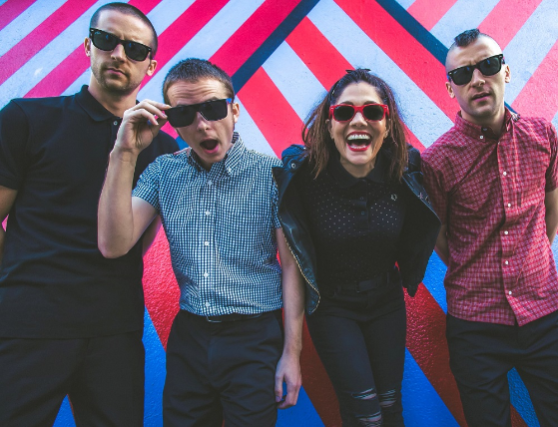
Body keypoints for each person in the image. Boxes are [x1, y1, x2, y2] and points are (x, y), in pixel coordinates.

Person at [97, 58, 304, 427]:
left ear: (234, 111)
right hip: (190, 335)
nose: (202, 124)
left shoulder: (272, 174)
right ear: (172, 122)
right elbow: (114, 245)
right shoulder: (162, 172)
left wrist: (293, 352)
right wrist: (124, 152)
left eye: (212, 108)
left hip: (254, 335)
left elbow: (292, 268)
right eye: (184, 114)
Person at [0, 3, 178, 426]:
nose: (119, 54)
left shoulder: (164, 150)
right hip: (29, 325)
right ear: (87, 46)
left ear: (150, 65)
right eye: (106, 39)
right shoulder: (27, 118)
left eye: (135, 49)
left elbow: (136, 240)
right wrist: (20, 279)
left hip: (114, 331)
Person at [273, 69, 440, 426]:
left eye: (373, 111)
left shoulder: (404, 171)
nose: (359, 120)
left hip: (386, 304)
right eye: (345, 112)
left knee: (391, 406)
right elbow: (293, 269)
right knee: (366, 415)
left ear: (388, 124)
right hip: (332, 309)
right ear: (329, 123)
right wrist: (292, 350)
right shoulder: (301, 178)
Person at [421, 28, 558, 427]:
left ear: (506, 71)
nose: (477, 79)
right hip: (475, 326)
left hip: (545, 313)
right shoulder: (437, 162)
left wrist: (534, 257)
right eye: (463, 74)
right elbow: (439, 236)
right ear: (451, 88)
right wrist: (474, 267)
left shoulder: (542, 135)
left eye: (488, 65)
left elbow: (551, 206)